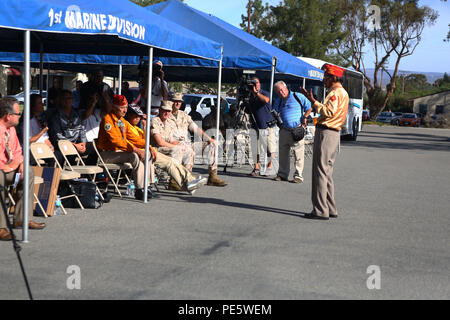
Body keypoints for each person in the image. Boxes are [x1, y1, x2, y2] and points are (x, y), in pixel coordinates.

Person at [97, 95, 206, 200]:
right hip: (108, 154)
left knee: (161, 158)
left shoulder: (122, 122)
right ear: (114, 107)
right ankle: (140, 189)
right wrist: (137, 149)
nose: (124, 111)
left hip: (123, 152)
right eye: (122, 108)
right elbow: (117, 141)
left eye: (125, 107)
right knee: (136, 156)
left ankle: (186, 182)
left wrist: (148, 146)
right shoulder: (108, 120)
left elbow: (135, 139)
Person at [300, 64, 349, 220]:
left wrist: (313, 101)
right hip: (333, 134)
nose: (324, 81)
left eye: (326, 78)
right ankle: (330, 207)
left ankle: (320, 210)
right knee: (327, 172)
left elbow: (329, 112)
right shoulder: (343, 93)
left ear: (334, 78)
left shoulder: (335, 93)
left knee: (320, 171)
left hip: (327, 132)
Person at [0, 97, 46, 241]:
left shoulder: (11, 129)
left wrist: (20, 163)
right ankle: (1, 227)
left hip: (10, 167)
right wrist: (10, 166)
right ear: (8, 116)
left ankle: (22, 218)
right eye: (18, 113)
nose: (20, 116)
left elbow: (18, 150)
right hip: (2, 169)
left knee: (29, 172)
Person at [170, 93, 227, 188]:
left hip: (187, 143)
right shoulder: (165, 115)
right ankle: (180, 180)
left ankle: (212, 176)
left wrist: (209, 139)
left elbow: (195, 128)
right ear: (170, 102)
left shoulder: (183, 115)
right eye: (175, 101)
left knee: (211, 145)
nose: (178, 103)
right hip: (174, 145)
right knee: (186, 150)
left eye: (179, 101)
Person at [272, 81, 312, 183]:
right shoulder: (278, 101)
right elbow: (275, 113)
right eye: (278, 91)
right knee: (283, 154)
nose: (281, 92)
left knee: (298, 154)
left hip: (297, 129)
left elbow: (309, 107)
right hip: (284, 130)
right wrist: (278, 123)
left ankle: (298, 176)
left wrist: (305, 118)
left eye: (282, 89)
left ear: (286, 88)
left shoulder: (297, 96)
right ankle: (282, 174)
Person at [48, 90, 96, 165]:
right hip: (63, 146)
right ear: (60, 100)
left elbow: (81, 129)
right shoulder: (55, 116)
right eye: (65, 98)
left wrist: (83, 143)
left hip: (77, 145)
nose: (68, 100)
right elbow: (58, 137)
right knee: (56, 156)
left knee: (96, 146)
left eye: (70, 98)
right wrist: (75, 145)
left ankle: (89, 175)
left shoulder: (76, 113)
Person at [150, 101, 194, 173]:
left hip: (166, 148)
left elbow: (171, 140)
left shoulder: (168, 123)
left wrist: (180, 144)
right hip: (155, 149)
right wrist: (176, 146)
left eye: (169, 111)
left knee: (189, 150)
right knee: (177, 150)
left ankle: (187, 175)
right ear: (160, 110)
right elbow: (160, 142)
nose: (167, 113)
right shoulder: (154, 121)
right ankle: (174, 180)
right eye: (165, 110)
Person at [247, 77, 277, 176]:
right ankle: (256, 168)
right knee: (255, 148)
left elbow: (266, 100)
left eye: (256, 83)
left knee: (269, 148)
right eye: (253, 83)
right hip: (256, 125)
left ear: (259, 84)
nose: (255, 85)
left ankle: (269, 167)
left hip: (267, 125)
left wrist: (256, 93)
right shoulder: (250, 95)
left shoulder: (264, 92)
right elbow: (248, 110)